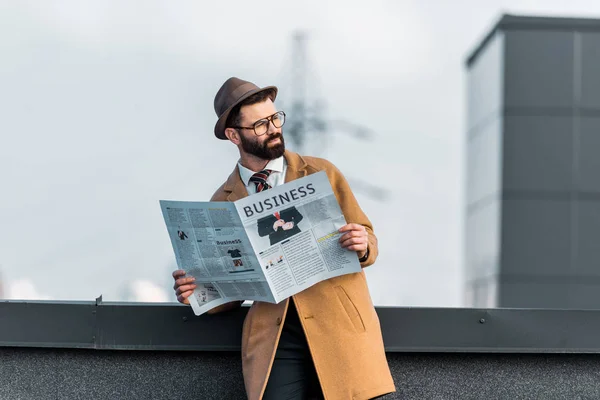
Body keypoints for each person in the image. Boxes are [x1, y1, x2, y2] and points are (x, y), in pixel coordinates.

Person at [172, 77, 395, 400]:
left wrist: (362, 244)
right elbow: (230, 291)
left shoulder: (321, 172)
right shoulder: (223, 201)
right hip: (273, 335)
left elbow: (369, 238)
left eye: (276, 118)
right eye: (261, 125)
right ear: (234, 135)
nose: (275, 129)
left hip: (338, 323)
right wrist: (197, 291)